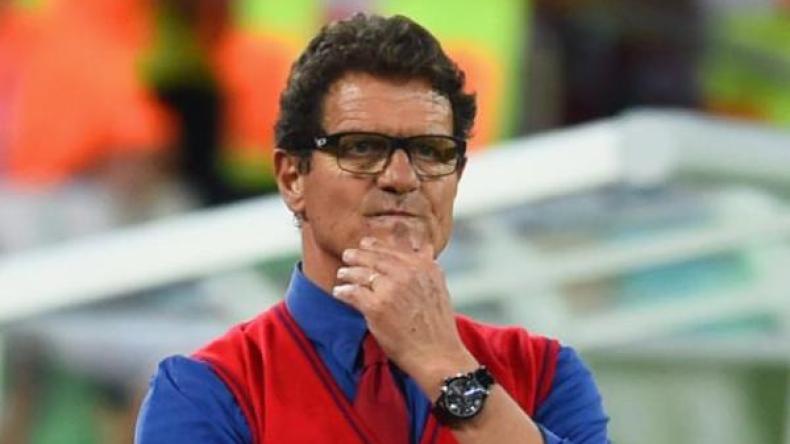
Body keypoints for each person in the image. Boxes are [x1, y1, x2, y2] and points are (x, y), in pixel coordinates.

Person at [135, 13, 609, 444]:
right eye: (361, 147)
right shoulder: (208, 391)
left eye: (431, 151)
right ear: (293, 178)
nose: (401, 177)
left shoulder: (544, 371)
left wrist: (444, 365)